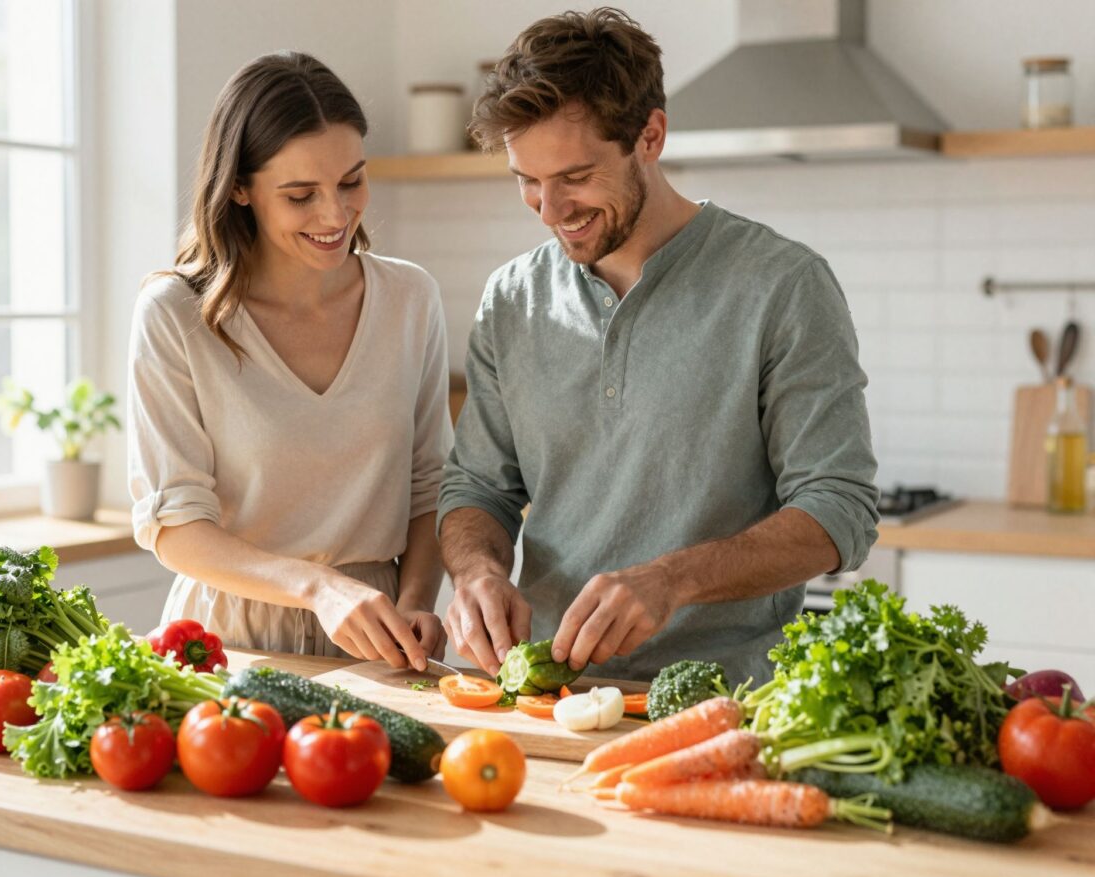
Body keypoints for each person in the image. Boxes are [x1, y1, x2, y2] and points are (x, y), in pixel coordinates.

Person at [437, 8, 879, 688]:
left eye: (575, 177)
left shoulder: (782, 284)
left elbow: (838, 507)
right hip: (555, 697)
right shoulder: (512, 298)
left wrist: (673, 579)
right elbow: (477, 487)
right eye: (527, 179)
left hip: (728, 704)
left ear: (650, 136)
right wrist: (476, 574)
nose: (549, 210)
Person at [127, 52, 452, 671]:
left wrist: (414, 602)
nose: (335, 215)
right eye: (301, 194)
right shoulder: (175, 311)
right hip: (224, 641)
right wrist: (316, 587)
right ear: (241, 188)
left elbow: (429, 484)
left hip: (376, 638)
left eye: (351, 181)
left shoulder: (411, 299)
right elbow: (174, 526)